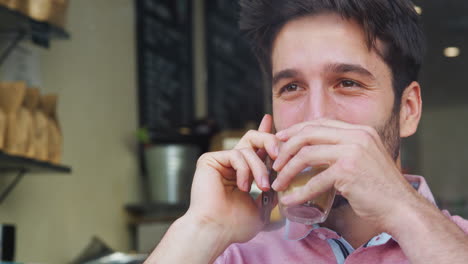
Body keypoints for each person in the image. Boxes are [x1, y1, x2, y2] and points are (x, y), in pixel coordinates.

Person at [145, 0, 468, 263]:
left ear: (408, 110)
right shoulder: (232, 253)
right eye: (292, 87)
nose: (315, 116)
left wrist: (403, 211)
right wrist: (203, 228)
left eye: (348, 83)